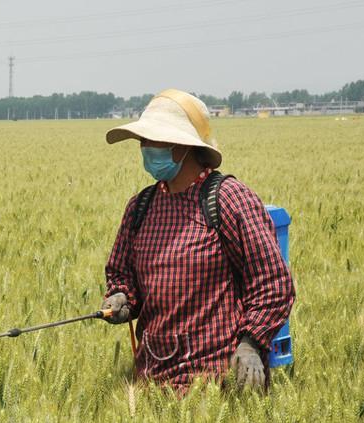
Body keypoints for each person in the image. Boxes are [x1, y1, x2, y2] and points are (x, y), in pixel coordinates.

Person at [100, 89, 294, 392]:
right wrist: (121, 297)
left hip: (217, 384)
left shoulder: (228, 199)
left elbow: (272, 282)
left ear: (182, 146)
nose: (144, 147)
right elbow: (122, 275)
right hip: (152, 382)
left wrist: (251, 343)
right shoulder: (141, 207)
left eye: (153, 139)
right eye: (142, 140)